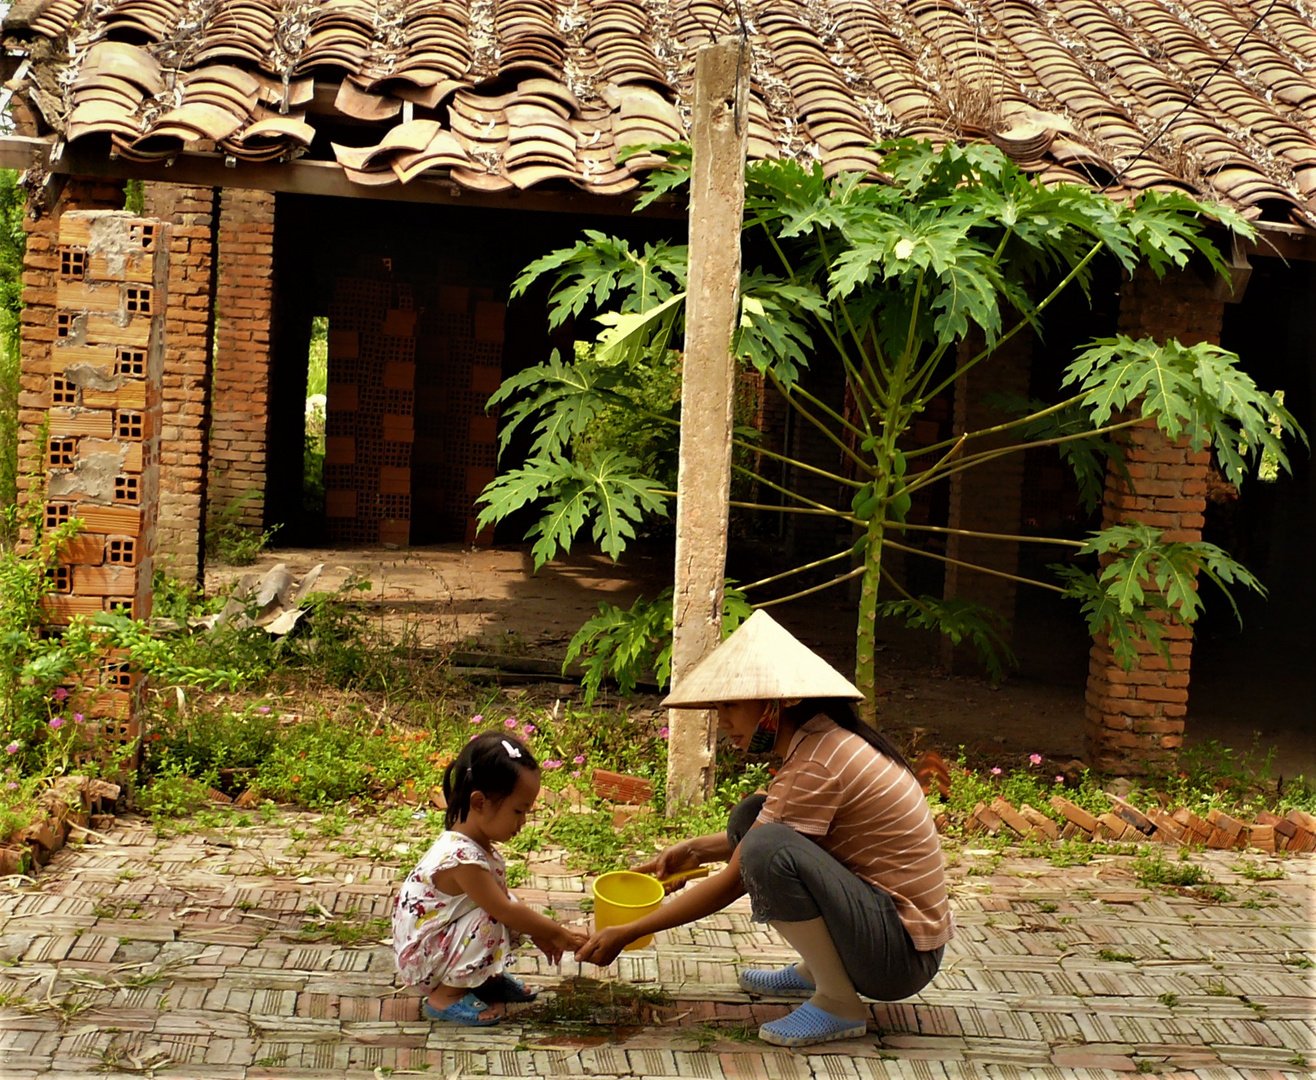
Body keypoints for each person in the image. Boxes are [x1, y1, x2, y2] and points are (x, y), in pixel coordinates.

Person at [575, 610, 953, 1047]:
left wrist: (630, 930)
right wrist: (694, 851)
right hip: (892, 936)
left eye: (731, 705)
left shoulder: (816, 762)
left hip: (898, 958)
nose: (723, 722)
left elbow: (737, 877)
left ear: (781, 701)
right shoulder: (822, 741)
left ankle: (838, 1001)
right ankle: (819, 968)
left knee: (765, 848)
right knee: (751, 818)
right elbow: (767, 830)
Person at [393, 731, 587, 1025]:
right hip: (425, 960)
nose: (522, 822)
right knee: (496, 916)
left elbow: (505, 903)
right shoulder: (460, 858)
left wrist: (539, 931)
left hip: (442, 942)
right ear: (480, 802)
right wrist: (556, 933)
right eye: (518, 811)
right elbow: (503, 911)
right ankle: (445, 997)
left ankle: (483, 979)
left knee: (506, 905)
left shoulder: (475, 845)